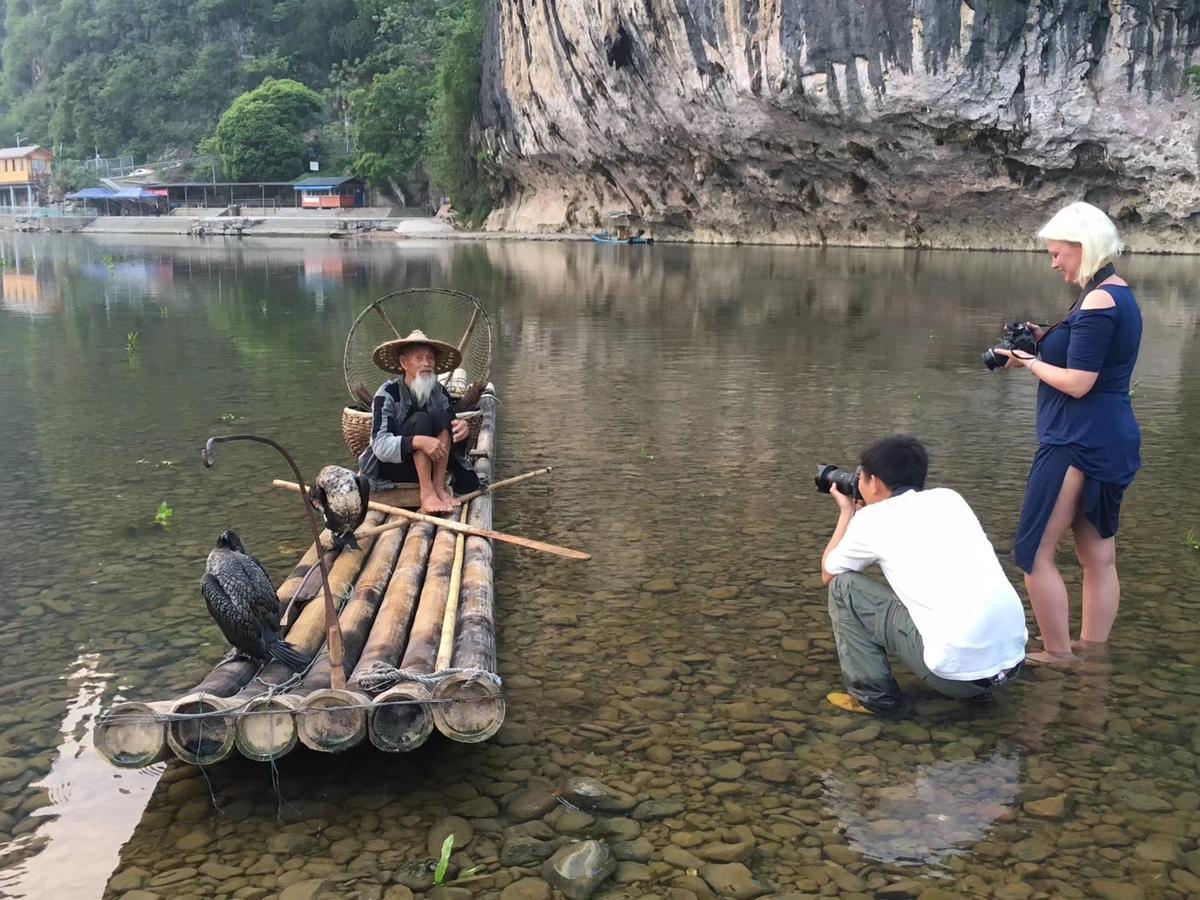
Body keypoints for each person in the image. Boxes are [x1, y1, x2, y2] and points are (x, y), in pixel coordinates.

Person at [992, 202, 1142, 664]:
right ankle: (1093, 656)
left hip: (1075, 439)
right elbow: (1090, 355)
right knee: (1097, 557)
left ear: (1083, 248)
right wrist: (1043, 335)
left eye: (1059, 253)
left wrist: (1030, 362)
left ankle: (1057, 654)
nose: (1054, 261)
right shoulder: (1117, 293)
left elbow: (1079, 382)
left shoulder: (1097, 301)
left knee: (1033, 552)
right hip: (1111, 436)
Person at [820, 436, 1027, 715]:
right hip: (1011, 664)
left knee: (843, 589)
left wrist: (847, 513)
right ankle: (977, 691)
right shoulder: (950, 499)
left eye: (862, 478)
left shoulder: (872, 521)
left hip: (955, 680)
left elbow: (828, 573)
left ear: (876, 482)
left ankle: (873, 697)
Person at [357, 329, 481, 514]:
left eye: (430, 358)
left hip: (434, 465)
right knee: (421, 419)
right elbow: (380, 446)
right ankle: (426, 493)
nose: (426, 364)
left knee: (440, 415)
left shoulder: (439, 392)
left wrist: (462, 432)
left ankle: (439, 487)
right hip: (396, 468)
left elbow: (451, 435)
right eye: (419, 358)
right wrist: (418, 441)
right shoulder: (387, 394)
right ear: (403, 363)